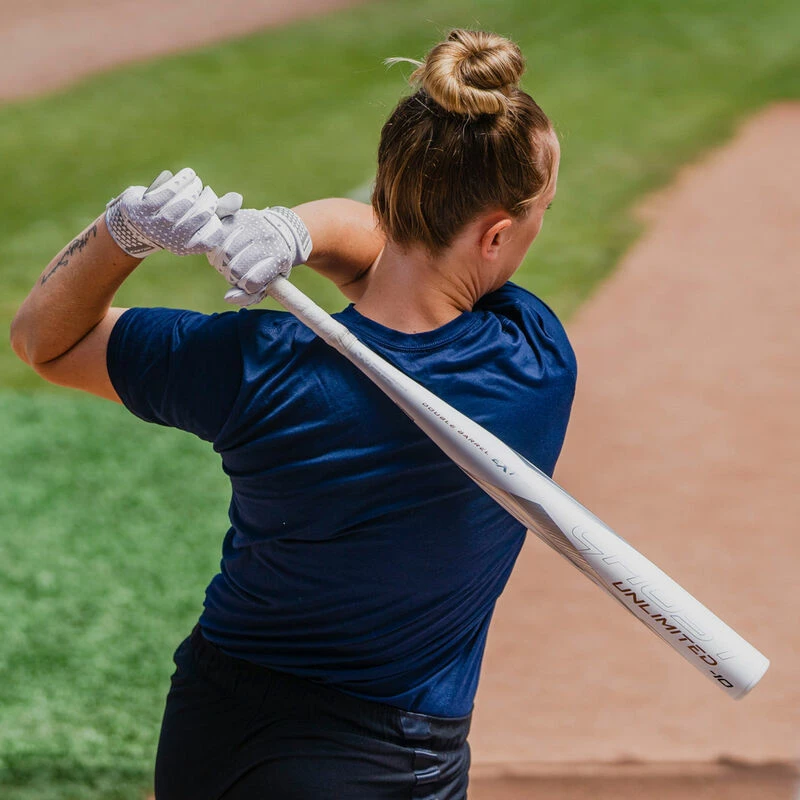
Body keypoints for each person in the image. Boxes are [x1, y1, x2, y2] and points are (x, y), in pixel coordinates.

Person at [11, 28, 576, 800]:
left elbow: (45, 337)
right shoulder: (532, 359)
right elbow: (392, 256)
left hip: (213, 725)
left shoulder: (250, 364)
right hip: (382, 760)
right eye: (545, 205)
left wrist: (125, 231)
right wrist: (302, 232)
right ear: (499, 234)